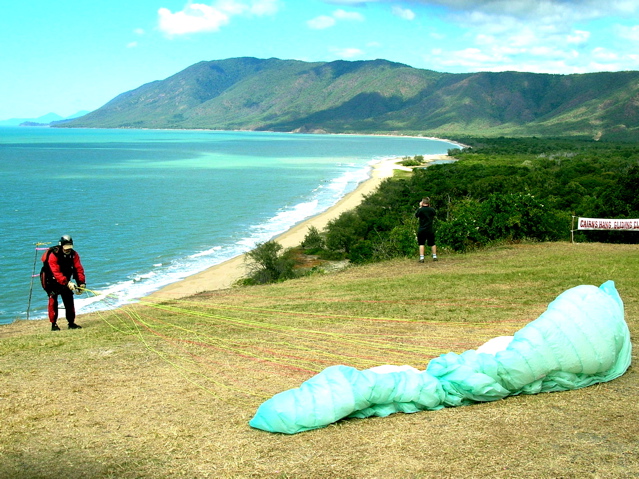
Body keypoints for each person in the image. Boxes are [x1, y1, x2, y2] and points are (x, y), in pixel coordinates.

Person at [41, 235, 86, 331]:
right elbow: (55, 272)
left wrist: (81, 283)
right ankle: (54, 324)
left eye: (69, 248)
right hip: (51, 281)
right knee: (53, 301)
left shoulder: (74, 255)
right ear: (61, 246)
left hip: (65, 281)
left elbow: (78, 269)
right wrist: (67, 283)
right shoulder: (54, 255)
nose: (67, 250)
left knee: (69, 300)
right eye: (66, 248)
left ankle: (71, 323)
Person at [415, 197, 437, 262]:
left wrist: (420, 207)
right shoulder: (432, 210)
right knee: (432, 243)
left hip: (422, 229)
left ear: (422, 202)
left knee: (421, 243)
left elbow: (416, 215)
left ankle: (422, 258)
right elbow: (434, 214)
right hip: (430, 228)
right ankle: (434, 256)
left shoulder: (420, 210)